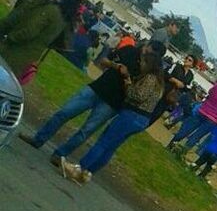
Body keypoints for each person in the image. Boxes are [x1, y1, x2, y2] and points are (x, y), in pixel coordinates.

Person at [25, 37, 164, 162]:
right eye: (146, 50)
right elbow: (103, 61)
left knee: (86, 130)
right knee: (65, 112)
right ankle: (38, 139)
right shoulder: (129, 50)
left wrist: (128, 79)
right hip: (97, 88)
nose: (145, 53)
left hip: (113, 103)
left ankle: (61, 154)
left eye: (149, 54)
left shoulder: (148, 72)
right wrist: (116, 66)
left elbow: (140, 93)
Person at [60, 49, 166, 184]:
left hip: (132, 114)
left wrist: (128, 83)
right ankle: (88, 172)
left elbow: (138, 96)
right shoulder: (159, 83)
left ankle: (80, 168)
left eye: (144, 62)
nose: (141, 64)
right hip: (142, 118)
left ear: (150, 64)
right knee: (112, 146)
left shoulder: (150, 78)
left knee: (104, 142)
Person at [0, 0, 83, 81]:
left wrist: (8, 34)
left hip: (13, 50)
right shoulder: (62, 9)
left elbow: (26, 19)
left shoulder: (51, 1)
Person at [168, 72, 217, 152]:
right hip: (214, 119)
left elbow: (210, 92)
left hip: (202, 110)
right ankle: (182, 151)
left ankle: (172, 143)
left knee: (187, 129)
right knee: (197, 136)